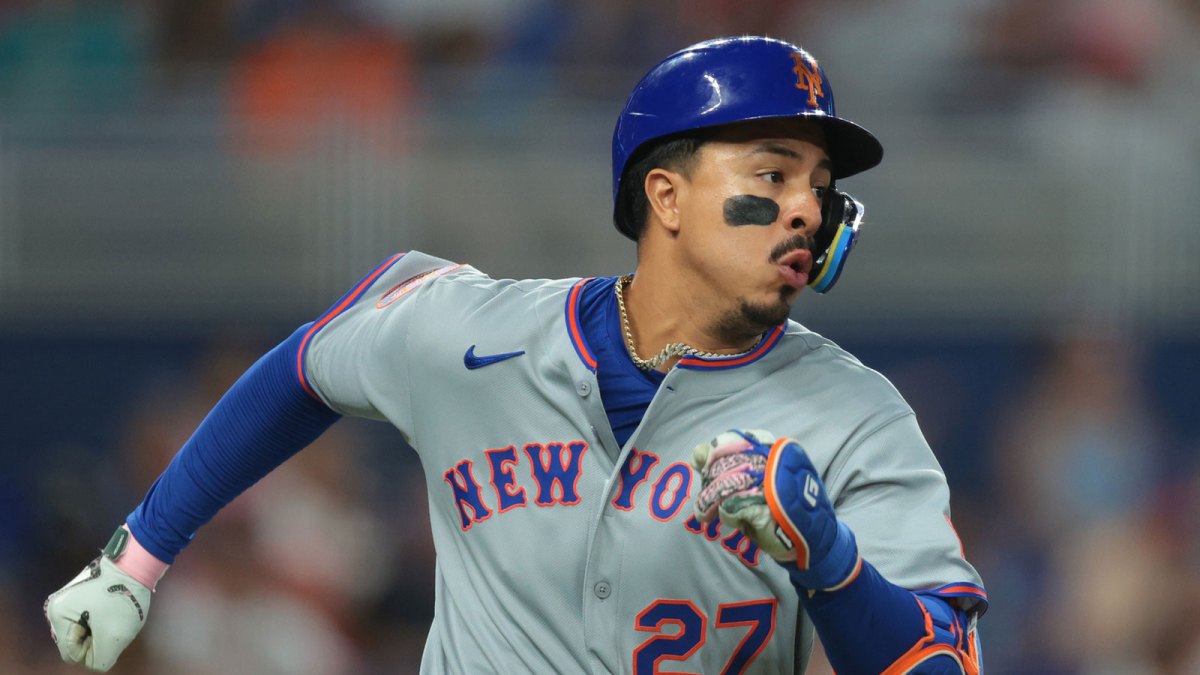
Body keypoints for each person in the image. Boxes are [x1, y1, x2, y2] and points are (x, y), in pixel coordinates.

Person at [44, 36, 986, 673]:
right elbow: (305, 366)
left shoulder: (856, 416)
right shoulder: (473, 333)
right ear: (664, 196)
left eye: (820, 189)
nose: (807, 209)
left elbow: (940, 659)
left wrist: (831, 556)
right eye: (772, 173)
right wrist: (138, 556)